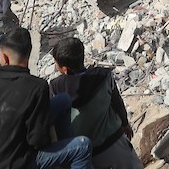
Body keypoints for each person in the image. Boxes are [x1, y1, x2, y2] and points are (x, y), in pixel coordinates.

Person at [0, 27, 92, 169]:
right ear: (29, 54)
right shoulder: (37, 87)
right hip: (19, 163)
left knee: (63, 100)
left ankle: (66, 158)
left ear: (5, 58)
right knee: (83, 146)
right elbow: (37, 140)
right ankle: (68, 157)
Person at [49, 37, 142, 169]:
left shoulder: (55, 88)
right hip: (114, 144)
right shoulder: (103, 76)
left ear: (65, 69)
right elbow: (117, 102)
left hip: (85, 157)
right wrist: (125, 124)